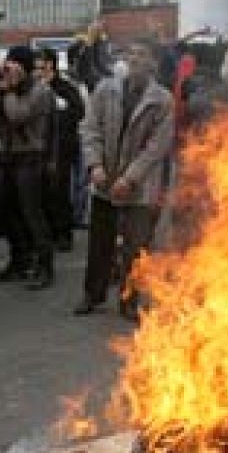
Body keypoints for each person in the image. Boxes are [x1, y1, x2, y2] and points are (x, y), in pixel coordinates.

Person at [75, 41, 176, 319]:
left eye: (141, 53)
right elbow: (90, 128)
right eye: (130, 52)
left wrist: (130, 178)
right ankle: (92, 294)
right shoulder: (106, 89)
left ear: (153, 62)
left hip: (140, 186)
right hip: (104, 178)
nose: (134, 58)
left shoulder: (162, 100)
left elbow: (157, 146)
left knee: (135, 245)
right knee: (100, 243)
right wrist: (94, 165)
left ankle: (129, 299)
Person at [0, 46, 57, 289]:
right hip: (8, 157)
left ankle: (45, 267)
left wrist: (8, 90)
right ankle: (19, 261)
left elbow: (17, 115)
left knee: (33, 214)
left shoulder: (40, 91)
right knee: (7, 212)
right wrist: (1, 92)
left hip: (31, 158)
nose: (10, 69)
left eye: (14, 64)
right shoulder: (9, 90)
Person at [35, 48, 86, 253]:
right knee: (42, 194)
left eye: (41, 64)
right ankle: (47, 234)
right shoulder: (34, 87)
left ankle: (63, 234)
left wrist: (59, 113)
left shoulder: (65, 88)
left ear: (51, 64)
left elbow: (78, 111)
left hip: (62, 148)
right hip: (38, 148)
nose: (38, 69)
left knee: (60, 192)